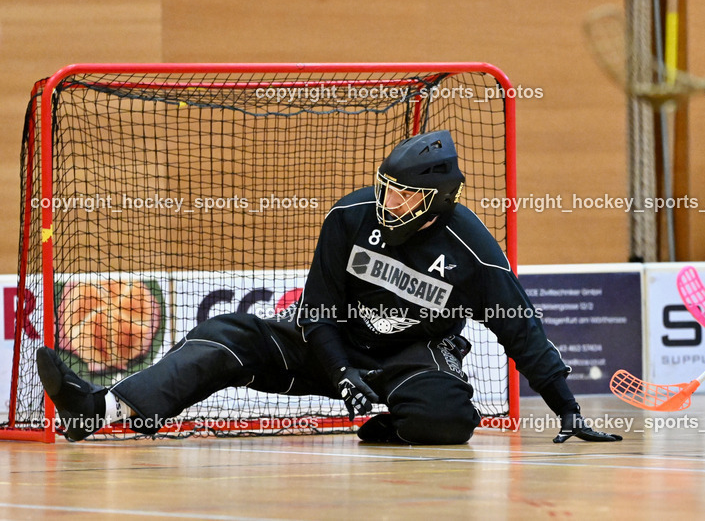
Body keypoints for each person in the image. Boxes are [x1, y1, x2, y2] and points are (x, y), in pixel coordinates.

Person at [36, 130, 623, 446]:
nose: (386, 200)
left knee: (446, 421)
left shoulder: (472, 252)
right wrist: (343, 376)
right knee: (222, 335)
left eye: (403, 194)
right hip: (330, 347)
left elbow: (521, 329)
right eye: (385, 186)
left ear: (436, 202)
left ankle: (385, 427)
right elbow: (316, 311)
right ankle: (99, 409)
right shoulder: (348, 217)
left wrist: (567, 410)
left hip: (409, 359)